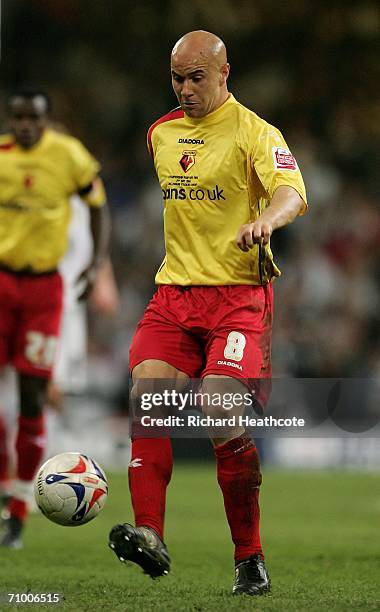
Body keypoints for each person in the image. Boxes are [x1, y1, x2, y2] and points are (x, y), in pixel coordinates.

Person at [109, 31, 307, 596]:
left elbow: (292, 190)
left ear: (225, 74)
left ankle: (250, 557)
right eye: (177, 78)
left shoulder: (255, 132)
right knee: (146, 399)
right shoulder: (160, 134)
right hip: (174, 296)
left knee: (220, 408)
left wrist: (268, 220)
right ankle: (150, 534)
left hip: (238, 296)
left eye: (197, 77)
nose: (186, 88)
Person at [0, 88, 109, 548]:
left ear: (45, 120)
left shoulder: (69, 156)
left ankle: (19, 512)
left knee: (32, 396)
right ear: (12, 119)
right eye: (19, 118)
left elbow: (99, 206)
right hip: (2, 283)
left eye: (34, 118)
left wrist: (98, 262)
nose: (26, 125)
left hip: (45, 291)